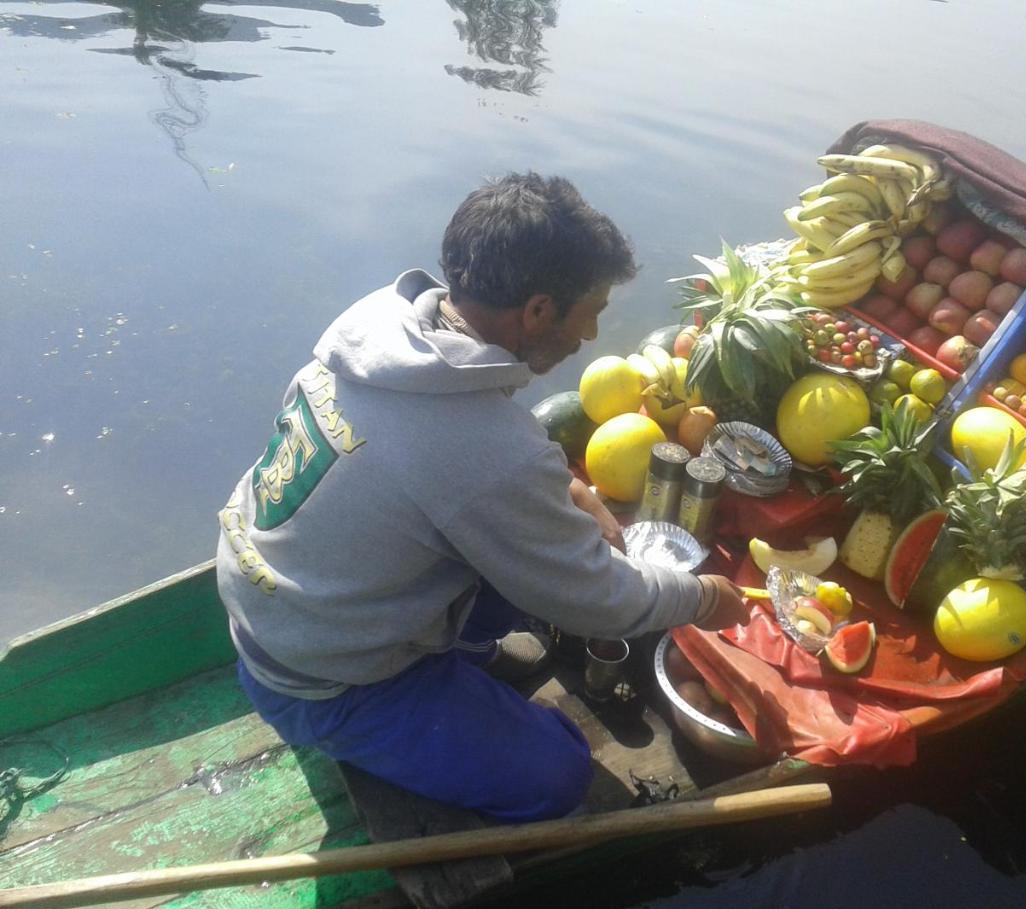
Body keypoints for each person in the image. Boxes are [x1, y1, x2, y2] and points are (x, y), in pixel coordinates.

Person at [216, 173, 748, 823]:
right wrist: (702, 597)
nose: (592, 336)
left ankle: (460, 658)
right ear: (538, 312)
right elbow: (596, 597)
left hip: (275, 609)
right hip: (321, 680)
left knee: (518, 538)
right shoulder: (485, 450)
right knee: (557, 773)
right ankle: (404, 711)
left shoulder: (379, 335)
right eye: (593, 313)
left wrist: (571, 490)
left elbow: (456, 471)